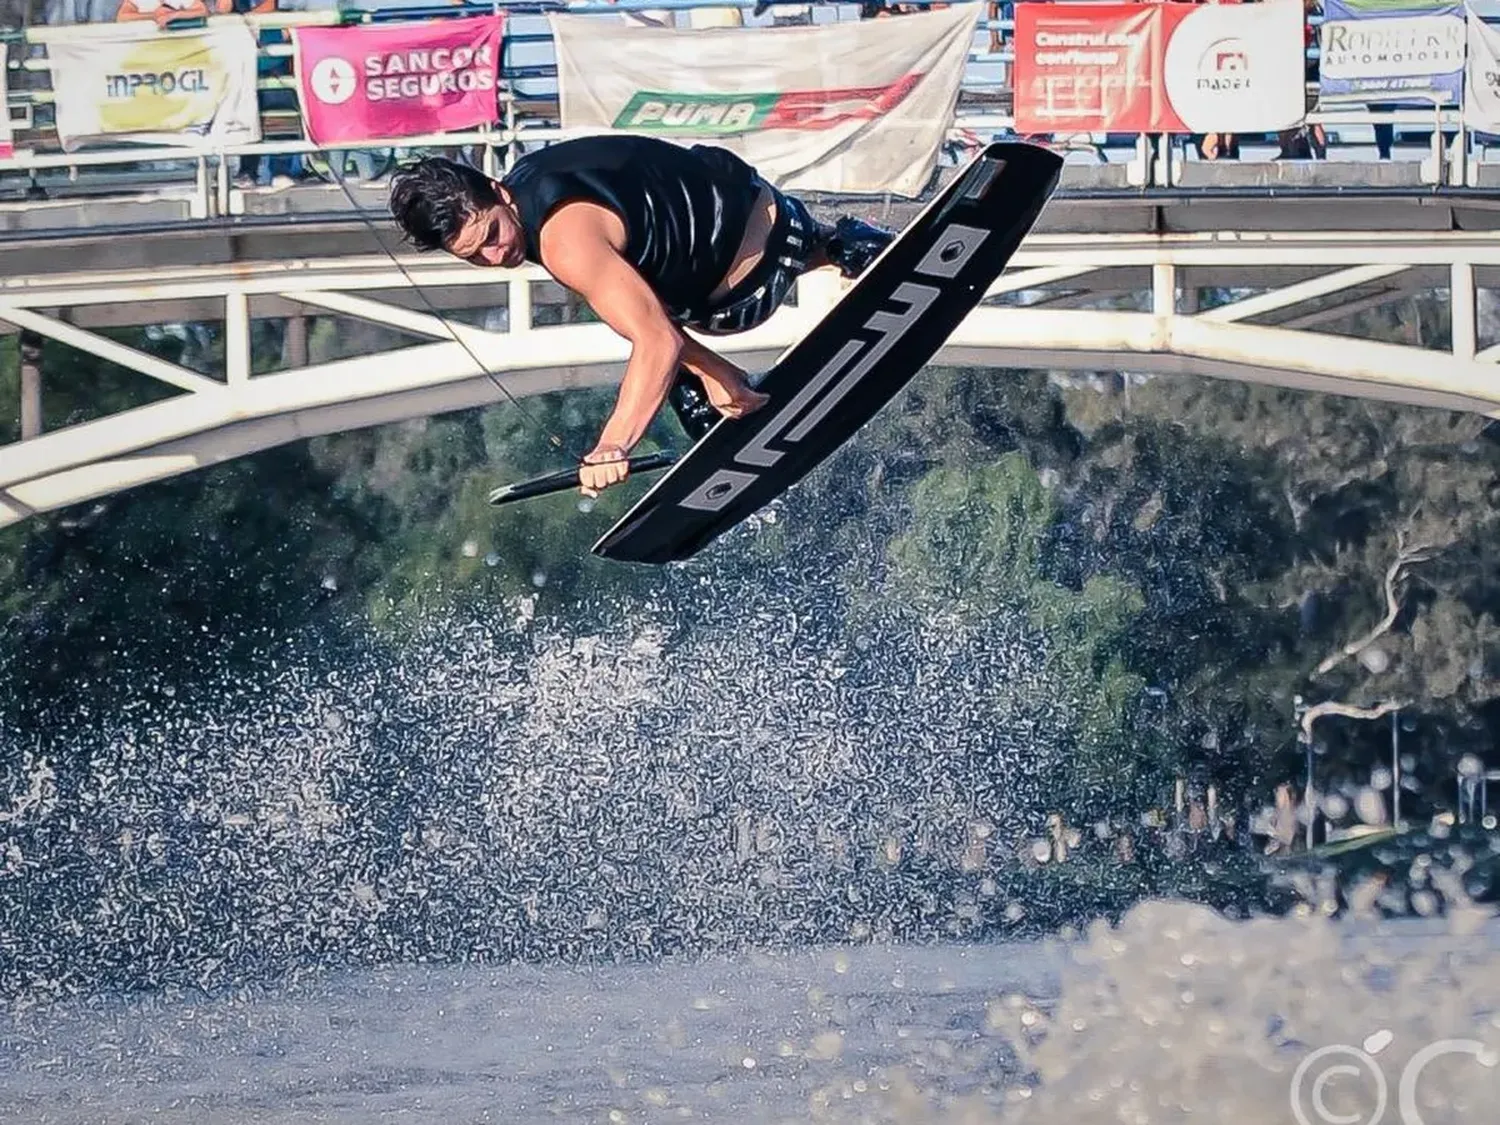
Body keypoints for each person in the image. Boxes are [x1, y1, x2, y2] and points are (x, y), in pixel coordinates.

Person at [388, 135, 893, 497]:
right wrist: (717, 371)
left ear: (497, 193)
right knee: (625, 302)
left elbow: (659, 341)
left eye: (492, 236)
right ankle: (843, 245)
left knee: (639, 331)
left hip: (750, 282)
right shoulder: (533, 182)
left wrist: (613, 445)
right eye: (474, 257)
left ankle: (717, 399)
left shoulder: (565, 240)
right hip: (780, 218)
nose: (496, 257)